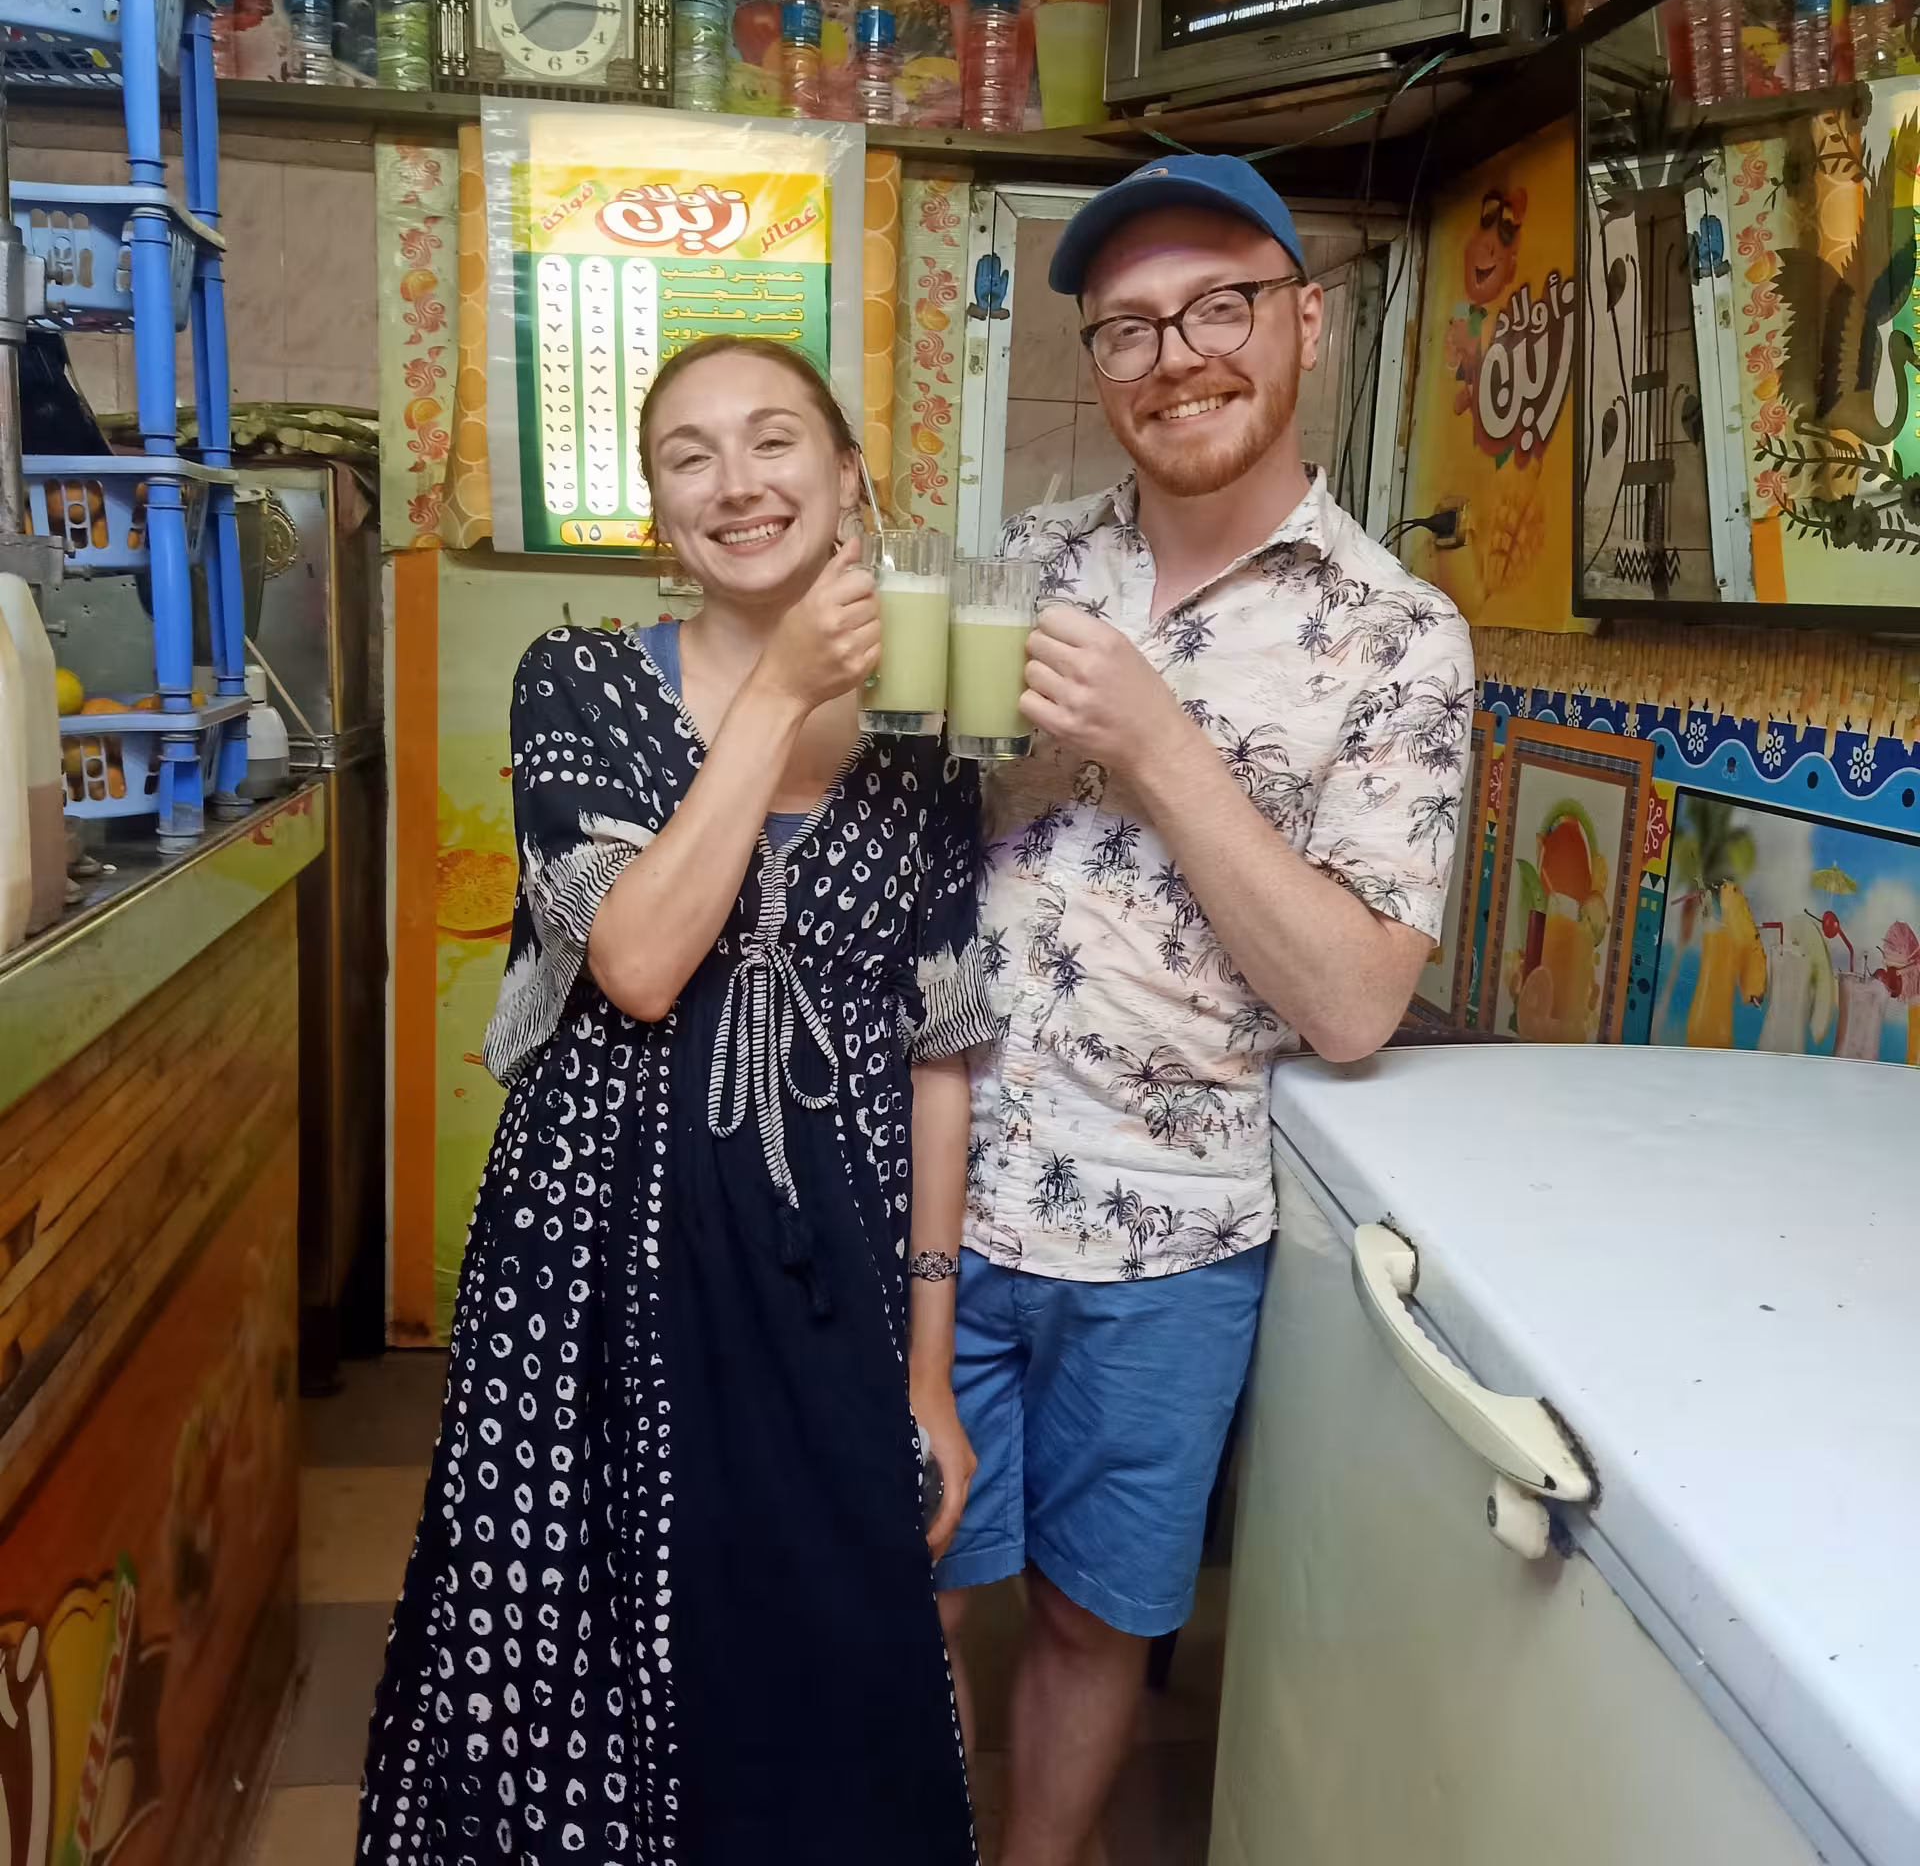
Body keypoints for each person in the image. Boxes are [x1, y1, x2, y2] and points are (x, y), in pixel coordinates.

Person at [358, 336, 993, 1865]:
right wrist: (775, 694)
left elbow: (940, 1057)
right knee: (565, 1648)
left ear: (850, 481)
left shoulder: (929, 732)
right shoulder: (576, 678)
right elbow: (639, 962)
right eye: (688, 455)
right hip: (592, 1266)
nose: (736, 481)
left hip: (825, 1267)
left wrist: (929, 1370)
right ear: (658, 513)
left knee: (832, 1648)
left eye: (776, 440)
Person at [935, 155, 1475, 1864]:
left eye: (1220, 307)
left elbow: (1353, 1002)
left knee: (1099, 1620)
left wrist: (1160, 744)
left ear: (1305, 317)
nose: (1177, 358)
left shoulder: (1400, 639)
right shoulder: (1029, 561)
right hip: (942, 1194)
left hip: (1170, 1240)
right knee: (913, 1585)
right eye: (1130, 330)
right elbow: (924, 836)